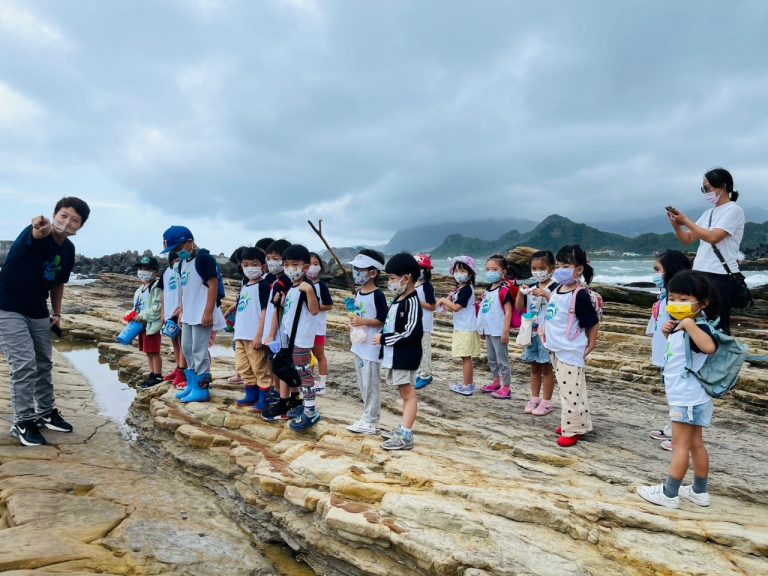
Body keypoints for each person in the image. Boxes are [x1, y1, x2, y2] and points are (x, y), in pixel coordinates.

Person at [0, 197, 90, 446]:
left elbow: (58, 282)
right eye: (63, 215)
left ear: (79, 226)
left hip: (38, 309)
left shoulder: (68, 249)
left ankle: (45, 412)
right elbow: (39, 230)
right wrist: (40, 225)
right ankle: (23, 421)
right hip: (7, 307)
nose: (67, 222)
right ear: (54, 215)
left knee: (43, 362)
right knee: (24, 364)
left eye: (74, 220)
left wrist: (56, 313)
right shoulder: (39, 232)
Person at [637, 270, 719, 509]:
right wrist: (671, 331)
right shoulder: (681, 327)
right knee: (695, 444)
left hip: (687, 399)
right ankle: (699, 492)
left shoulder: (697, 326)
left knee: (680, 445)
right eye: (672, 298)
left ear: (702, 303)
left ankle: (669, 493)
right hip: (693, 398)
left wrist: (689, 325)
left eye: (684, 300)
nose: (676, 303)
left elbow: (709, 347)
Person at [667, 167, 745, 334]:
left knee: (718, 323)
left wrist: (686, 220)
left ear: (723, 186)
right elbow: (687, 239)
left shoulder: (734, 210)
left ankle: (719, 356)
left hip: (719, 274)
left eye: (707, 188)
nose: (705, 192)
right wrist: (677, 225)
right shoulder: (708, 213)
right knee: (697, 319)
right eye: (703, 189)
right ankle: (699, 355)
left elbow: (713, 237)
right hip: (699, 272)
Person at [540, 245, 600, 448]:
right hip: (556, 347)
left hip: (571, 349)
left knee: (571, 391)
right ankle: (576, 423)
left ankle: (573, 429)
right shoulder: (556, 288)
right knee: (570, 389)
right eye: (558, 266)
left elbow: (592, 321)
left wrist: (591, 343)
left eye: (566, 265)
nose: (560, 270)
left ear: (579, 269)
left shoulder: (580, 295)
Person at [161, 225, 225, 404]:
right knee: (187, 348)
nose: (177, 252)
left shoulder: (204, 259)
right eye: (174, 250)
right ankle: (192, 384)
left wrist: (208, 312)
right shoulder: (182, 263)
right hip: (188, 313)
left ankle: (202, 389)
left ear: (190, 242)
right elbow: (184, 289)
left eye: (178, 248)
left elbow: (213, 284)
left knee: (199, 350)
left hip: (202, 312)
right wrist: (181, 309)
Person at [266, 244, 320, 431]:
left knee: (305, 375)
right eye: (286, 264)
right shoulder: (293, 288)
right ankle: (302, 406)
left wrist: (311, 291)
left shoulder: (306, 287)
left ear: (305, 268)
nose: (290, 268)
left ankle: (311, 410)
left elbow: (314, 310)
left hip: (302, 340)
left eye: (295, 264)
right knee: (298, 373)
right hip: (291, 339)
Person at [375, 253, 423, 451]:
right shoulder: (398, 299)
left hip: (405, 355)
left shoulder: (411, 301)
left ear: (407, 277)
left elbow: (411, 332)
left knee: (408, 394)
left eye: (392, 278)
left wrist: (385, 339)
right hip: (395, 355)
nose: (390, 282)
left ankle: (406, 434)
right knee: (404, 393)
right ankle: (404, 428)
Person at [646, 250, 691, 451]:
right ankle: (674, 427)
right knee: (672, 394)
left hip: (676, 356)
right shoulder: (665, 297)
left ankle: (682, 436)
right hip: (665, 353)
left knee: (681, 395)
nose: (655, 274)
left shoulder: (680, 302)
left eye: (658, 270)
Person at [346, 249, 388, 435]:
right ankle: (366, 416)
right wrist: (354, 324)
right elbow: (358, 313)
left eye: (360, 269)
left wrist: (364, 322)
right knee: (363, 384)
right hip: (359, 344)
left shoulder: (378, 295)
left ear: (373, 273)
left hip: (371, 347)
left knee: (371, 384)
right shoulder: (359, 293)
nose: (356, 272)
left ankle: (371, 421)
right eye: (355, 268)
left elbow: (382, 319)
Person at [260, 239, 300, 419]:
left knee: (283, 367)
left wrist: (269, 335)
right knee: (283, 367)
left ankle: (286, 402)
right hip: (280, 332)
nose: (271, 262)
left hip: (280, 334)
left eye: (275, 258)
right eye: (268, 258)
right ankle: (289, 400)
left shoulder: (283, 282)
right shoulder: (280, 281)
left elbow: (278, 310)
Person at [515, 250, 558, 415]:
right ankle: (534, 398)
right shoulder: (531, 287)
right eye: (534, 268)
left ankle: (547, 401)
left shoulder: (556, 287)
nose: (538, 271)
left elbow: (558, 307)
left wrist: (546, 295)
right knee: (534, 367)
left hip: (547, 334)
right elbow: (519, 307)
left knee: (547, 368)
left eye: (542, 268)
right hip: (531, 333)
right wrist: (520, 293)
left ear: (551, 268)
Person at [233, 247, 272, 411]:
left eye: (254, 264)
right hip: (240, 333)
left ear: (263, 266)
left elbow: (265, 311)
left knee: (259, 367)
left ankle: (264, 398)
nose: (250, 267)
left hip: (254, 335)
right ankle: (251, 394)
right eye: (246, 264)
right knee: (243, 366)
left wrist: (259, 335)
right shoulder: (245, 285)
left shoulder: (263, 286)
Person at [436, 256, 480, 396]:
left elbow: (456, 308)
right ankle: (468, 383)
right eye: (456, 270)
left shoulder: (466, 289)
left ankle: (467, 386)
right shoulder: (460, 289)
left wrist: (443, 300)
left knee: (466, 357)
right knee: (464, 357)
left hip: (466, 328)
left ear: (470, 273)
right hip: (462, 327)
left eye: (462, 270)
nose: (458, 273)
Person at [477, 255, 514, 399]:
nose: (490, 272)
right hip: (489, 330)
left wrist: (505, 331)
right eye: (487, 269)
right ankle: (495, 381)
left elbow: (508, 311)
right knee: (492, 358)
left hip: (499, 331)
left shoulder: (503, 290)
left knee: (502, 360)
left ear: (503, 272)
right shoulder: (488, 290)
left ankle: (506, 387)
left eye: (494, 269)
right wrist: (482, 329)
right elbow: (485, 310)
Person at [132, 256, 164, 389]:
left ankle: (157, 375)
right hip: (142, 326)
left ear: (155, 272)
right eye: (141, 269)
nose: (143, 271)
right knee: (147, 351)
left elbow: (157, 307)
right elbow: (137, 306)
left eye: (147, 269)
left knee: (154, 351)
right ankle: (152, 374)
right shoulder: (140, 289)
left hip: (152, 325)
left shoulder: (156, 287)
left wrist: (143, 315)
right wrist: (131, 315)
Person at [307, 252, 333, 396]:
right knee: (306, 355)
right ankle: (308, 381)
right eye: (310, 264)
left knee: (320, 355)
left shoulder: (321, 285)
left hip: (318, 327)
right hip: (305, 328)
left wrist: (314, 307)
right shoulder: (302, 284)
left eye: (316, 264)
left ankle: (322, 383)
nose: (313, 267)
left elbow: (329, 305)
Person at [161, 251, 188, 389]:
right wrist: (163, 314)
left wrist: (182, 309)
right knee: (174, 342)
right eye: (174, 260)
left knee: (182, 342)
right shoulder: (166, 273)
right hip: (169, 314)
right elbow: (163, 293)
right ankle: (178, 368)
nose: (176, 262)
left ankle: (183, 372)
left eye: (179, 259)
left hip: (181, 312)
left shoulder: (186, 270)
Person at [414, 254, 436, 390]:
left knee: (424, 350)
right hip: (414, 323)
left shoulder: (427, 286)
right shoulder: (415, 284)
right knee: (416, 350)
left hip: (424, 324)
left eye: (421, 268)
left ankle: (426, 375)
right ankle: (420, 373)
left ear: (427, 270)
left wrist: (419, 302)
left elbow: (432, 306)